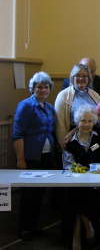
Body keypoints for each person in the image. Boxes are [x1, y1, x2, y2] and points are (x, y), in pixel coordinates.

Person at [12, 72, 57, 240]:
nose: (42, 89)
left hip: (45, 156)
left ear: (49, 89)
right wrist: (20, 159)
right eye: (39, 86)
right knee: (28, 195)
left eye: (46, 86)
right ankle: (24, 229)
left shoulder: (50, 107)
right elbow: (18, 134)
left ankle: (34, 226)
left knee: (39, 193)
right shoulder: (25, 106)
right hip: (30, 157)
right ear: (32, 88)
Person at [63, 105, 100, 250]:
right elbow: (67, 166)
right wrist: (79, 175)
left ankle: (77, 236)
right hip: (75, 182)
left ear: (94, 122)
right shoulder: (70, 142)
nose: (86, 124)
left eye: (90, 121)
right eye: (83, 121)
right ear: (77, 122)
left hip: (96, 183)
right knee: (78, 193)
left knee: (81, 197)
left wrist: (93, 176)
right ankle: (88, 228)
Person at [55, 64, 100, 149]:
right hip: (73, 141)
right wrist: (64, 146)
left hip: (94, 141)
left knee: (92, 156)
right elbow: (59, 124)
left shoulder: (95, 95)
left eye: (85, 76)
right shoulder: (63, 96)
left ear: (89, 78)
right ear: (72, 78)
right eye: (77, 75)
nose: (81, 78)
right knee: (77, 161)